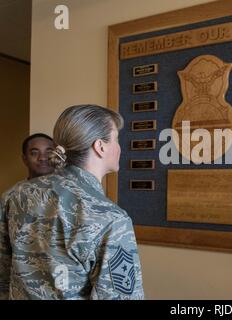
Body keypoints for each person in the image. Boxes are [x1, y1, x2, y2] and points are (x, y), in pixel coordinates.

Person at [0, 104, 144, 300]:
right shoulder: (111, 218)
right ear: (100, 146)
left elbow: (3, 271)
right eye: (116, 139)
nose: (119, 147)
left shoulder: (15, 194)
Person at [2, 133, 55, 198]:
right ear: (25, 159)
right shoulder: (12, 196)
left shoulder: (68, 190)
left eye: (49, 152)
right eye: (34, 153)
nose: (42, 158)